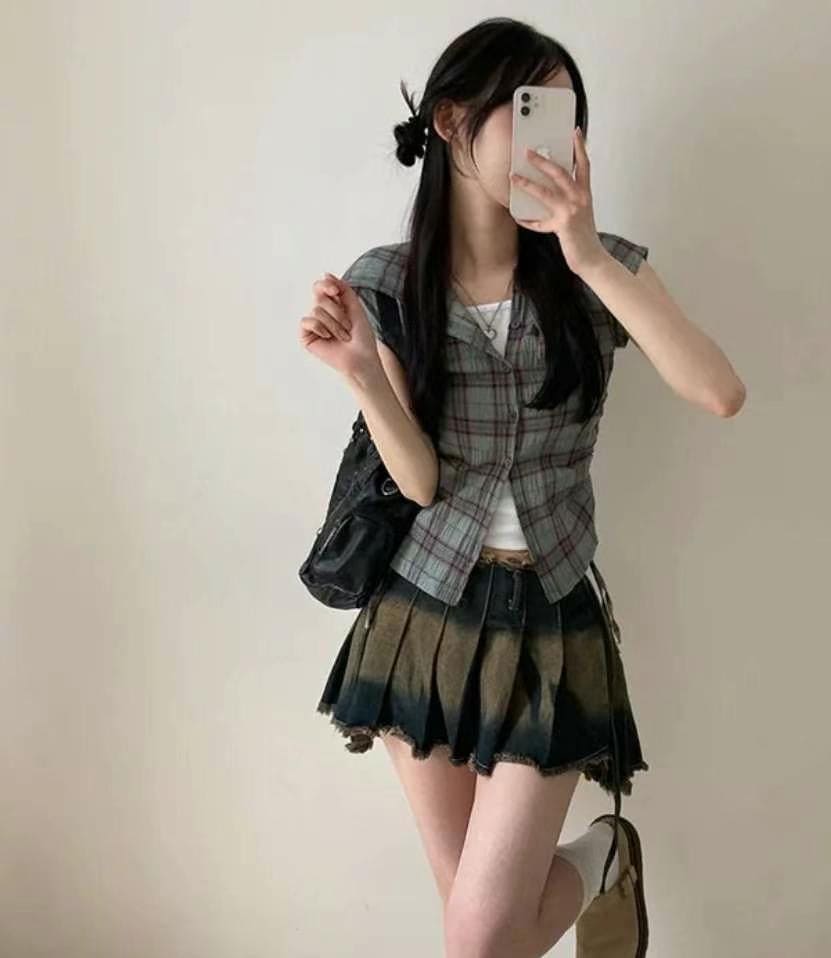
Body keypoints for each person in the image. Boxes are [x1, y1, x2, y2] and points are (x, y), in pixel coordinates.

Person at [299, 16, 745, 958]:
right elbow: (419, 483)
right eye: (531, 109)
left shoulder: (600, 269)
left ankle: (604, 855)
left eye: (569, 117)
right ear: (453, 122)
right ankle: (606, 866)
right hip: (421, 618)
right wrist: (363, 374)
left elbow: (719, 391)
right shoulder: (390, 283)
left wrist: (585, 253)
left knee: (478, 938)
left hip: (547, 619)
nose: (557, 137)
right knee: (478, 938)